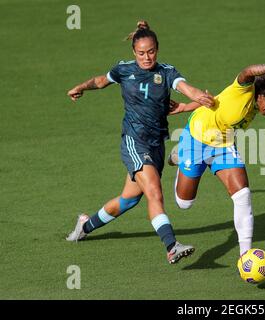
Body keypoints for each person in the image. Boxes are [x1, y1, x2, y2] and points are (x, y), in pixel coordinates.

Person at [65, 21, 215, 264]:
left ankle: (85, 225)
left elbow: (184, 88)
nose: (147, 57)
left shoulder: (166, 72)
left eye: (152, 51)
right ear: (134, 52)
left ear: (157, 48)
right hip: (135, 142)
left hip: (157, 144)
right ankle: (171, 245)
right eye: (142, 53)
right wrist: (81, 87)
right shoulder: (124, 70)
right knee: (154, 192)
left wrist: (199, 96)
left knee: (128, 199)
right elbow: (101, 81)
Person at [167, 59, 265, 258]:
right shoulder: (244, 90)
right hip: (195, 140)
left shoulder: (258, 106)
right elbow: (248, 71)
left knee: (242, 195)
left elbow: (218, 100)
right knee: (184, 203)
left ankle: (245, 255)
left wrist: (184, 107)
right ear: (262, 94)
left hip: (223, 145)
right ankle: (180, 155)